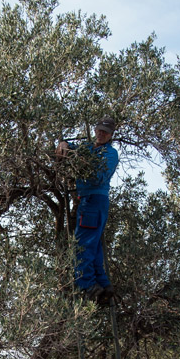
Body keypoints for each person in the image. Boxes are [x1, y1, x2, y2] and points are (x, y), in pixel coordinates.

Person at [56, 116, 119, 303]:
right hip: (89, 200)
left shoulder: (110, 154)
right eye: (99, 129)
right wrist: (63, 143)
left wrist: (84, 165)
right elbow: (69, 149)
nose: (101, 133)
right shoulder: (89, 148)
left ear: (111, 135)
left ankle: (88, 286)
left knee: (82, 245)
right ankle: (103, 286)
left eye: (105, 132)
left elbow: (98, 177)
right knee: (94, 245)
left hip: (94, 200)